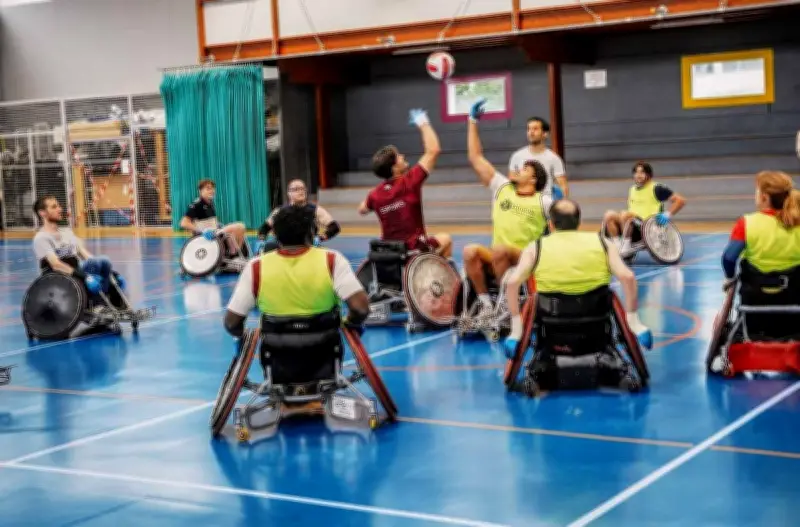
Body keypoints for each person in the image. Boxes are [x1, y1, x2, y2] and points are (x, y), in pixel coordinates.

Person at [503, 199, 653, 357]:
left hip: (552, 317)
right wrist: (633, 321)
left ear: (550, 224)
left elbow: (512, 283)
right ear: (579, 222)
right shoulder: (603, 242)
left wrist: (516, 330)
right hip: (596, 316)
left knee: (534, 298)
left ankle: (517, 333)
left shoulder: (536, 246)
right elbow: (628, 277)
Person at [224, 203, 370, 341]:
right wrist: (349, 323)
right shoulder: (332, 260)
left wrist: (247, 337)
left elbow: (231, 324)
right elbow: (361, 309)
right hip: (326, 345)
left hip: (275, 350)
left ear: (276, 234)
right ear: (311, 232)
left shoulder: (256, 266)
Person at [462, 99, 552, 318]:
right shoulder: (503, 188)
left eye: (524, 169)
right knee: (470, 251)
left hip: (526, 260)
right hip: (498, 257)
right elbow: (475, 157)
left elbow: (559, 233)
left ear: (533, 179)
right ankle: (486, 304)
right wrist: (472, 121)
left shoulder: (544, 201)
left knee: (501, 250)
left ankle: (505, 303)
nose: (518, 170)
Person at [357, 108, 452, 258]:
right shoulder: (410, 181)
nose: (403, 156)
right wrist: (423, 122)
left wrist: (379, 204)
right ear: (394, 167)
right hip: (415, 251)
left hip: (391, 254)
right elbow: (433, 150)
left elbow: (361, 209)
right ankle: (436, 275)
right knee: (446, 239)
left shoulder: (375, 195)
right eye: (399, 156)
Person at [31, 195, 125, 297]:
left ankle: (112, 302)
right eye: (54, 207)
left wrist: (110, 272)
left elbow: (86, 255)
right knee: (99, 270)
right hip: (60, 277)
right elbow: (56, 265)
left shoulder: (67, 232)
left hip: (76, 270)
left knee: (104, 261)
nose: (60, 209)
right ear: (42, 213)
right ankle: (100, 301)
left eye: (58, 206)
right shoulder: (41, 238)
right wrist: (85, 277)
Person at [602, 162, 686, 255]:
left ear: (649, 174)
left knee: (625, 214)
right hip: (630, 224)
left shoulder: (657, 188)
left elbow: (680, 201)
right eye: (636, 173)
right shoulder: (632, 189)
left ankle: (626, 247)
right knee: (609, 214)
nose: (638, 175)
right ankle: (618, 245)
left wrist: (667, 214)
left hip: (648, 226)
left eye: (642, 172)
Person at [255, 179, 341, 253]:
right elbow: (264, 229)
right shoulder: (279, 211)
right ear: (289, 193)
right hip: (283, 248)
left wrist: (320, 238)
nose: (301, 191)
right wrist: (261, 241)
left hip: (308, 246)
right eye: (296, 189)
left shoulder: (315, 210)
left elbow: (334, 227)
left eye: (303, 188)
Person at [179, 179, 249, 266]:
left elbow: (209, 222)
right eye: (208, 188)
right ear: (200, 191)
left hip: (215, 231)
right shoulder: (197, 204)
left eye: (212, 188)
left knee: (240, 229)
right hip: (206, 236)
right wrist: (202, 231)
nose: (211, 191)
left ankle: (235, 255)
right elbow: (183, 223)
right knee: (239, 226)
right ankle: (233, 257)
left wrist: (218, 225)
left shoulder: (210, 203)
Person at [508, 116, 568, 199]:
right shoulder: (517, 156)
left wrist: (563, 206)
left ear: (545, 134)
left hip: (544, 205)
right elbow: (511, 181)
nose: (531, 132)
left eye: (535, 129)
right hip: (523, 204)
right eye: (529, 129)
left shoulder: (554, 158)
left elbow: (563, 185)